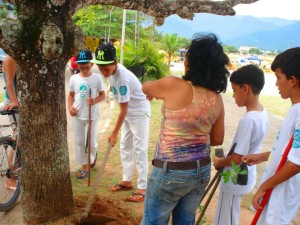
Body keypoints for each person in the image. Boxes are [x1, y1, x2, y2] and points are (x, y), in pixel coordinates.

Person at [141, 33, 228, 225]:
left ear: (191, 62)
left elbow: (146, 87)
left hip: (170, 171)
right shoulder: (217, 99)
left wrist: (154, 92)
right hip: (200, 171)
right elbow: (217, 139)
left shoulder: (173, 85)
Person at [242, 47, 300, 225]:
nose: (276, 84)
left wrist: (264, 186)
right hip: (276, 190)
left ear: (292, 80)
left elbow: (296, 163)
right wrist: (263, 156)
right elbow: (288, 150)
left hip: (280, 196)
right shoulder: (294, 109)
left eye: (278, 77)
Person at [91, 43, 151, 202]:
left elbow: (123, 109)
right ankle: (127, 180)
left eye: (107, 68)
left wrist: (114, 132)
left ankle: (142, 187)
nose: (104, 72)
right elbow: (120, 104)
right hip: (127, 113)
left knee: (140, 148)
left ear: (115, 63)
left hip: (138, 113)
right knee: (125, 145)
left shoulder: (122, 77)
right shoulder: (111, 73)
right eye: (100, 67)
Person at [213, 65, 270, 225]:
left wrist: (219, 162)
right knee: (231, 214)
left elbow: (237, 158)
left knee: (225, 219)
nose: (233, 95)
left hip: (234, 178)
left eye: (234, 90)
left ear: (245, 89)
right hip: (245, 176)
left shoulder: (249, 120)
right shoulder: (263, 113)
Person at [68, 49, 105, 179]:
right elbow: (71, 95)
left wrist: (94, 101)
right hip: (78, 115)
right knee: (79, 142)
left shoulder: (96, 78)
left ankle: (91, 158)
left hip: (91, 115)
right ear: (77, 65)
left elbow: (102, 95)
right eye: (81, 67)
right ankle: (85, 166)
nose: (84, 69)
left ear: (92, 65)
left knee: (90, 142)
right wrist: (70, 108)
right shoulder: (74, 78)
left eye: (87, 67)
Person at [0, 54, 19, 191]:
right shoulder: (10, 59)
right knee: (19, 138)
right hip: (14, 102)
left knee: (20, 138)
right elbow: (8, 82)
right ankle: (10, 177)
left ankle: (17, 171)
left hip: (20, 100)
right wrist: (14, 101)